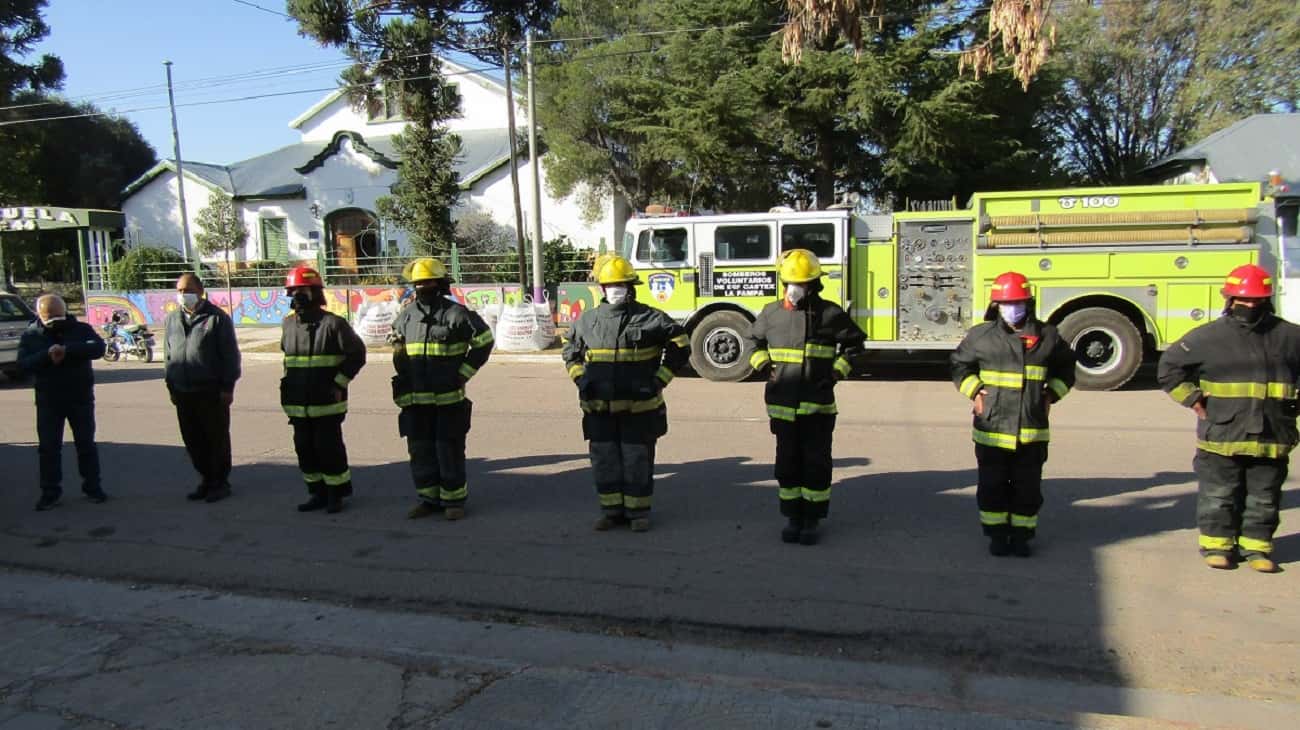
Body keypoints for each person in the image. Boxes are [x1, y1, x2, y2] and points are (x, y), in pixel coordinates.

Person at [1157, 264, 1298, 573]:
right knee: (1219, 495)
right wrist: (1192, 399)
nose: (1250, 305)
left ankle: (1257, 549)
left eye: (1256, 300)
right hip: (1222, 435)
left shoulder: (1290, 336)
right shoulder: (1208, 337)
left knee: (1265, 497)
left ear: (1267, 300)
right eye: (1243, 299)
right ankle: (1217, 547)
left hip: (1272, 435)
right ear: (1230, 299)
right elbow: (1168, 369)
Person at [950, 271, 1076, 557]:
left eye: (1017, 302)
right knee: (991, 487)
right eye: (1006, 303)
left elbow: (1067, 369)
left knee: (1027, 489)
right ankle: (996, 536)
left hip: (1031, 430)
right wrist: (974, 391)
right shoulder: (980, 336)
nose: (1012, 308)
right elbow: (958, 365)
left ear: (1028, 303)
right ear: (996, 305)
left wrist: (1052, 394)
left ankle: (1022, 536)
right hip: (991, 429)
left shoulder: (1048, 336)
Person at [562, 255, 690, 532]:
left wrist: (660, 380)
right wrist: (581, 380)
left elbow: (681, 345)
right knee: (604, 461)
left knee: (637, 461)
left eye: (620, 284)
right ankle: (611, 512)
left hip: (639, 409)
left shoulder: (651, 318)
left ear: (631, 286)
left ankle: (638, 513)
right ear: (602, 288)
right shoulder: (588, 320)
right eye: (611, 285)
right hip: (599, 409)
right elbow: (570, 351)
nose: (615, 289)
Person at [746, 249, 865, 545]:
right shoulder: (771, 313)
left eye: (801, 283)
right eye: (790, 283)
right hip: (782, 407)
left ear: (814, 284)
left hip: (818, 407)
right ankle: (792, 517)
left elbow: (855, 346)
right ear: (782, 283)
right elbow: (751, 341)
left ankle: (812, 518)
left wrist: (836, 373)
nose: (795, 289)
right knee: (787, 464)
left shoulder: (830, 314)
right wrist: (764, 365)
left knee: (816, 464)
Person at [390, 258, 493, 521]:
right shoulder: (406, 315)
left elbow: (484, 341)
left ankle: (454, 501)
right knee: (420, 451)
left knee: (449, 450)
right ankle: (428, 500)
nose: (422, 287)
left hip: (448, 399)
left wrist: (463, 373)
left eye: (428, 282)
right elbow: (397, 345)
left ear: (440, 284)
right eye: (418, 283)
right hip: (416, 401)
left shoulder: (457, 314)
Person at [280, 266, 366, 514]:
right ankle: (316, 493)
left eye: (302, 290)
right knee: (304, 449)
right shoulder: (288, 324)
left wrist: (339, 383)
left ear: (315, 292)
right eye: (293, 290)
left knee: (328, 449)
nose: (297, 295)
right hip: (297, 403)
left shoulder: (334, 324)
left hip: (327, 401)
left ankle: (336, 494)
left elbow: (357, 355)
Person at [17, 295, 108, 511]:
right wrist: (46, 355)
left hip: (80, 397)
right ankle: (50, 492)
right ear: (40, 315)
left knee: (86, 444)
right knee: (49, 448)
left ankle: (92, 487)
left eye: (58, 317)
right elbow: (24, 364)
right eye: (49, 319)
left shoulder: (80, 329)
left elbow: (97, 348)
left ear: (64, 312)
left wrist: (68, 349)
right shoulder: (31, 334)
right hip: (49, 400)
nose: (54, 322)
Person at [164, 273, 241, 503]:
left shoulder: (217, 318)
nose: (183, 295)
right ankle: (206, 479)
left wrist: (228, 387)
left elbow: (230, 356)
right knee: (192, 440)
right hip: (182, 390)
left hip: (210, 391)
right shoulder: (172, 319)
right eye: (179, 291)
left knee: (215, 439)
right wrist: (170, 385)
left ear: (200, 291)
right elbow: (169, 354)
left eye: (187, 290)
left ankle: (220, 482)